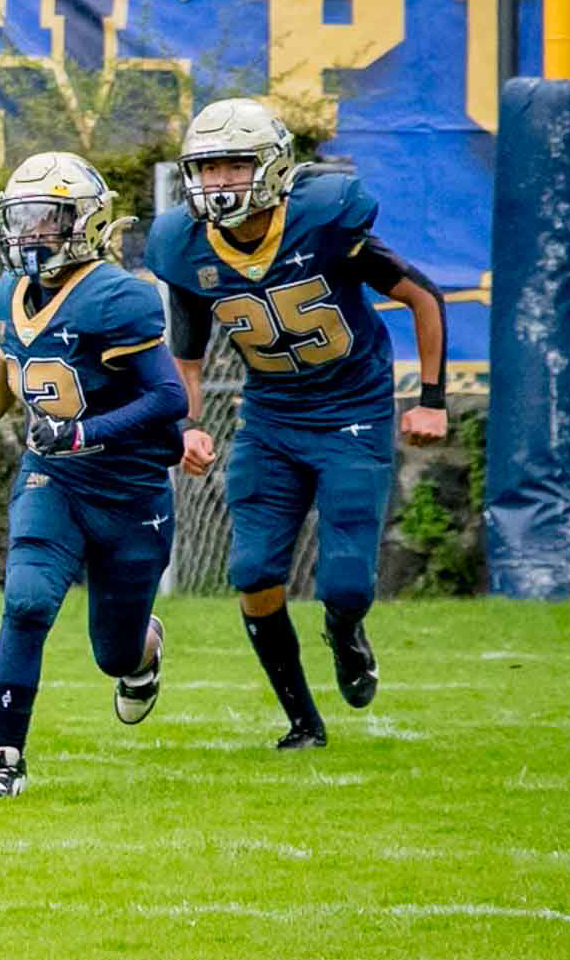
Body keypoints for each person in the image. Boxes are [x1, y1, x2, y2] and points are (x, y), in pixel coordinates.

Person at [145, 97, 449, 750]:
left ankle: (345, 631)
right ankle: (303, 721)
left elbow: (423, 297)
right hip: (272, 418)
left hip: (352, 411)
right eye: (209, 168)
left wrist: (431, 398)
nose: (220, 181)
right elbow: (188, 358)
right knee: (252, 571)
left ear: (274, 166)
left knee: (345, 583)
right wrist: (189, 423)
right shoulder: (186, 246)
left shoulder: (324, 218)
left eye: (235, 165)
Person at [0, 151, 185, 798]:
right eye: (22, 218)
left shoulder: (118, 297)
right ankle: (3, 760)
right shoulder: (7, 298)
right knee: (26, 603)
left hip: (131, 493)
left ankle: (145, 651)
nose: (31, 232)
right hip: (54, 480)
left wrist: (84, 432)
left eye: (48, 218)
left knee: (114, 651)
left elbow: (168, 398)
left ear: (87, 222)